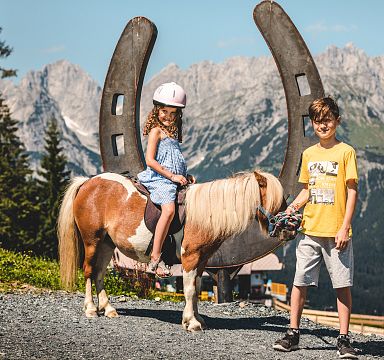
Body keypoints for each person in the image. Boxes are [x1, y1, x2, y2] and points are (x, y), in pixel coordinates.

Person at [273, 97, 359, 359]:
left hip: (336, 233)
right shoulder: (309, 154)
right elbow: (306, 190)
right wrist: (291, 208)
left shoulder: (346, 152)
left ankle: (343, 339)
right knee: (300, 282)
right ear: (312, 123)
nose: (323, 125)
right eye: (318, 121)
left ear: (337, 121)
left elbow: (352, 191)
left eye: (328, 120)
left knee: (342, 285)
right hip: (310, 230)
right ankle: (293, 333)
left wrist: (345, 227)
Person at [138, 82, 194, 278]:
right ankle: (155, 257)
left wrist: (184, 176)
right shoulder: (156, 132)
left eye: (173, 113)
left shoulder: (172, 134)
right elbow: (150, 161)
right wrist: (171, 176)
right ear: (156, 110)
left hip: (173, 179)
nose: (168, 117)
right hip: (159, 180)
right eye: (164, 111)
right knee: (169, 209)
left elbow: (173, 161)